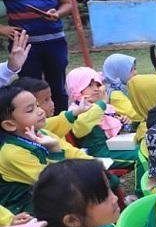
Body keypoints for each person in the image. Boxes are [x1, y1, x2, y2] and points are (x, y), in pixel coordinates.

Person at [0, 86, 92, 214]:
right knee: (82, 199)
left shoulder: (40, 132)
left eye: (37, 105)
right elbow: (56, 182)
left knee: (100, 180)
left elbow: (71, 152)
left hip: (45, 193)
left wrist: (94, 164)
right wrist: (54, 150)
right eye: (31, 110)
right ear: (10, 124)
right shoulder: (11, 153)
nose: (41, 111)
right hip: (22, 210)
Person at [65, 67, 137, 170]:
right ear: (77, 88)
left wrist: (123, 122)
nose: (96, 89)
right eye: (89, 85)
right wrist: (102, 104)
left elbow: (110, 129)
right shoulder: (75, 110)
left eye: (98, 84)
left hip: (113, 147)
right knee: (143, 155)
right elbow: (80, 129)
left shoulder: (98, 106)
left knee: (145, 148)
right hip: (98, 155)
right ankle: (143, 185)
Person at [101, 53, 141, 122]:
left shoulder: (124, 86)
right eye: (131, 70)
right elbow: (134, 114)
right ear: (118, 72)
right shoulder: (114, 93)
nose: (135, 72)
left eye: (135, 68)